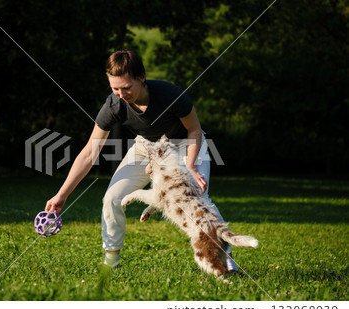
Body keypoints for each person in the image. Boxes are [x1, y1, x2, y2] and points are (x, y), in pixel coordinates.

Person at [45, 49, 238, 272]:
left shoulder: (170, 95)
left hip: (186, 144)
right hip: (147, 145)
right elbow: (90, 151)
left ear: (142, 78)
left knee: (198, 198)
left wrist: (191, 167)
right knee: (112, 198)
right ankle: (111, 262)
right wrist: (62, 194)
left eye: (126, 87)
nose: (121, 94)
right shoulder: (114, 105)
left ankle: (227, 261)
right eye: (115, 88)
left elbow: (194, 130)